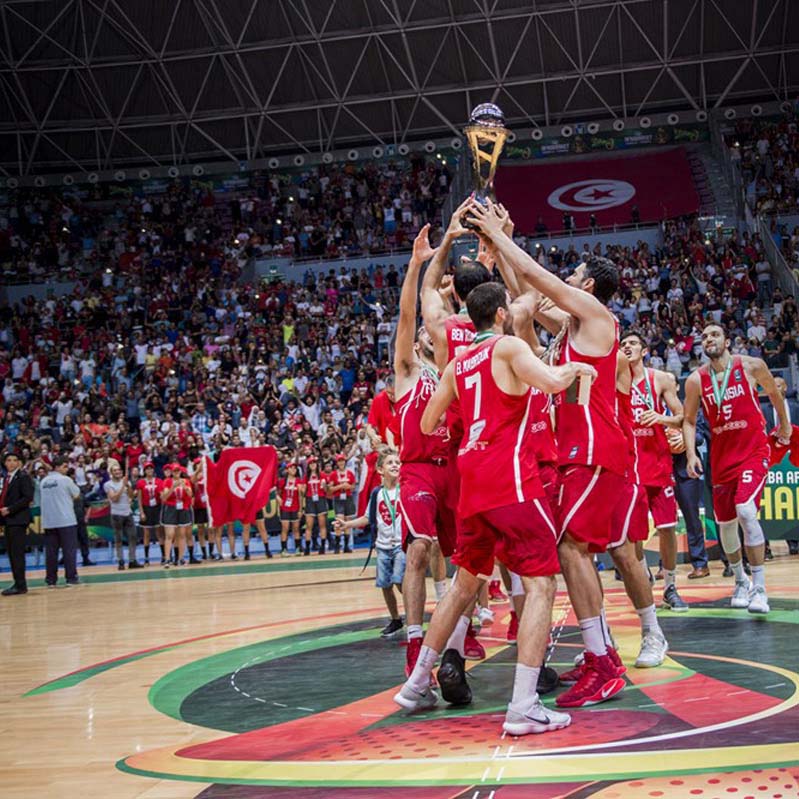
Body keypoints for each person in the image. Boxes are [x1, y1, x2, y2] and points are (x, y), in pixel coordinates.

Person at [395, 281, 594, 736]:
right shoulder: (508, 347)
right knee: (541, 585)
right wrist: (580, 369)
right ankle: (523, 703)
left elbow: (428, 423)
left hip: (472, 482)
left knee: (464, 584)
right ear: (501, 314)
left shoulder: (457, 364)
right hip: (513, 480)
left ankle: (416, 682)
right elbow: (551, 381)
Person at [467, 199, 628, 708]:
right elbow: (529, 298)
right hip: (576, 450)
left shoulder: (598, 317)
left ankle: (603, 661)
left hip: (598, 450)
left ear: (588, 287)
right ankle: (601, 650)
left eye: (575, 274)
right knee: (571, 550)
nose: (568, 277)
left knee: (569, 549)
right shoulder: (571, 328)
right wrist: (503, 241)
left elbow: (542, 281)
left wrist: (505, 238)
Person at [683, 323, 791, 614]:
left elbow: (774, 393)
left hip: (753, 451)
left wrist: (783, 424)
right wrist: (691, 453)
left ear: (727, 341)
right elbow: (689, 420)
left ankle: (759, 587)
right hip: (721, 458)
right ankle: (740, 579)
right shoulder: (696, 380)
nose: (709, 340)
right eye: (704, 337)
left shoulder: (751, 365)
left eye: (714, 334)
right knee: (726, 525)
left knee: (745, 509)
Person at [393, 225, 462, 676]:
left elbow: (457, 329)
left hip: (455, 469)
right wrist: (418, 265)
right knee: (419, 548)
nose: (424, 332)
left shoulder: (453, 370)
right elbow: (405, 318)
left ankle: (457, 636)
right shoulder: (406, 371)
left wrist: (453, 295)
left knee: (461, 559)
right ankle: (415, 644)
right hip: (418, 470)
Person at [620, 330, 689, 611]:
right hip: (629, 466)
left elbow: (682, 415)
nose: (627, 347)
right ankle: (644, 578)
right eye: (623, 343)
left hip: (658, 461)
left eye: (633, 343)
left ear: (644, 350)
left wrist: (663, 420)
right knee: (635, 533)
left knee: (667, 528)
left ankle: (670, 585)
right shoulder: (615, 381)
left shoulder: (660, 379)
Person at [336, 450, 405, 638]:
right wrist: (347, 524)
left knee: (400, 581)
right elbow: (367, 517)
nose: (395, 465)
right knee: (385, 584)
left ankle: (413, 615)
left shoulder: (405, 489)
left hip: (401, 545)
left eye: (398, 462)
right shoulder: (378, 494)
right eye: (390, 462)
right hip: (382, 546)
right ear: (380, 470)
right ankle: (396, 619)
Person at [760, 376, 799, 554]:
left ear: (785, 388)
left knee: (791, 500)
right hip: (770, 459)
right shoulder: (762, 409)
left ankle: (794, 541)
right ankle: (765, 545)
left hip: (793, 460)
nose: (774, 388)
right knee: (766, 503)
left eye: (778, 385)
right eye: (771, 386)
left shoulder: (796, 408)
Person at [669, 416, 711, 577]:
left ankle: (700, 563)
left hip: (685, 469)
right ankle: (664, 565)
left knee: (692, 517)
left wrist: (684, 438)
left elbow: (700, 436)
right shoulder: (651, 406)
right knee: (663, 520)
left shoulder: (688, 409)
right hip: (659, 466)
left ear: (677, 388)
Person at [39, 457, 81, 587]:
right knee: (69, 551)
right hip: (66, 520)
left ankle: (51, 580)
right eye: (64, 466)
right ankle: (71, 578)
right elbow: (77, 495)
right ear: (56, 467)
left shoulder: (43, 481)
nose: (66, 469)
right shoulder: (66, 480)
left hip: (49, 521)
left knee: (51, 552)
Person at [0, 452, 35, 595]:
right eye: (9, 460)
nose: (12, 463)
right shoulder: (6, 478)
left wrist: (10, 509)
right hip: (8, 520)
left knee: (17, 553)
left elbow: (28, 497)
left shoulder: (23, 477)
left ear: (19, 463)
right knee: (12, 553)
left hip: (18, 519)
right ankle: (18, 582)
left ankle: (21, 585)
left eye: (15, 460)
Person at [105, 462, 142, 570]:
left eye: (119, 470)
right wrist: (122, 487)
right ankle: (121, 561)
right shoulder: (108, 484)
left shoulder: (126, 482)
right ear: (111, 473)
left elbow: (131, 495)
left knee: (133, 537)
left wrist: (127, 486)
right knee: (119, 539)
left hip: (128, 512)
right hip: (116, 514)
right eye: (115, 470)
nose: (117, 472)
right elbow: (114, 498)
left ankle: (132, 560)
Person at [136, 462, 163, 564]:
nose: (149, 470)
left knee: (159, 533)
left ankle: (163, 556)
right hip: (146, 508)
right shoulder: (141, 482)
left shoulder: (159, 481)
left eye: (151, 468)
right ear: (144, 471)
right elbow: (139, 499)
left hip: (157, 508)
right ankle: (146, 557)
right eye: (147, 469)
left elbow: (161, 495)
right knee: (146, 534)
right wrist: (141, 512)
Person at [277, 461, 304, 556]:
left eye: (295, 468)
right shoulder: (282, 482)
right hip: (285, 508)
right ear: (287, 470)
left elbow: (301, 496)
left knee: (296, 529)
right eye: (291, 468)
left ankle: (298, 548)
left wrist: (301, 509)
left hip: (295, 507)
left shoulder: (298, 481)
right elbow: (277, 492)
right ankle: (284, 549)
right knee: (285, 528)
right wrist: (278, 499)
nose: (293, 470)